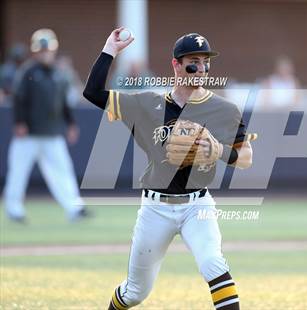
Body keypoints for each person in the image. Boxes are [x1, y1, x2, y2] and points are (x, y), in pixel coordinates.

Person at [83, 28, 256, 310]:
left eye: (205, 62)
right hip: (155, 208)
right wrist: (109, 51)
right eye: (193, 61)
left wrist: (219, 151)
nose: (201, 68)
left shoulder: (223, 109)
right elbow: (92, 92)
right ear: (175, 64)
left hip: (197, 206)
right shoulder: (146, 103)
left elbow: (246, 156)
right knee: (135, 293)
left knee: (213, 263)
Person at [3, 28, 90, 223]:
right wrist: (19, 122)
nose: (44, 53)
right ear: (35, 51)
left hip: (52, 133)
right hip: (29, 134)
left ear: (53, 50)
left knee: (63, 170)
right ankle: (14, 209)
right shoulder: (27, 72)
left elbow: (63, 103)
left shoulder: (59, 74)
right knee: (18, 171)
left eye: (48, 49)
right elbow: (18, 100)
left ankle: (74, 208)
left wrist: (71, 124)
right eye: (41, 49)